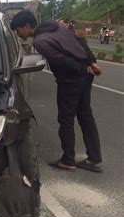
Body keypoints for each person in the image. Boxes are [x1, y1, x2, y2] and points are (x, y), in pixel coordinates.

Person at [10, 10, 103, 173]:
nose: (18, 33)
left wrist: (83, 68)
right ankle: (93, 157)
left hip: (70, 81)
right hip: (83, 77)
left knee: (65, 119)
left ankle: (68, 160)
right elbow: (79, 41)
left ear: (26, 26)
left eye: (18, 29)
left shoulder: (40, 40)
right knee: (85, 116)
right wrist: (91, 62)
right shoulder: (57, 27)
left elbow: (61, 62)